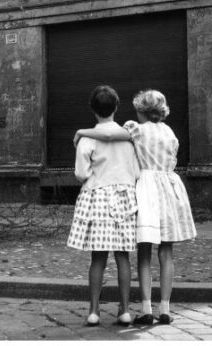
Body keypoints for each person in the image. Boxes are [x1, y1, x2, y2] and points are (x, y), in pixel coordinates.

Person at [75, 89, 196, 326]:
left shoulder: (135, 130)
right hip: (169, 187)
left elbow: (109, 137)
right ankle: (165, 308)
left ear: (141, 110)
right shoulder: (170, 132)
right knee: (166, 251)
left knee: (143, 249)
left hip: (148, 188)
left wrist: (81, 132)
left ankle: (145, 307)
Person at [67, 85, 139, 327]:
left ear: (92, 109)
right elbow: (137, 170)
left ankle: (94, 310)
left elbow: (80, 173)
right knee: (123, 256)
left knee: (97, 258)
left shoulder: (87, 139)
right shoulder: (129, 136)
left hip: (97, 197)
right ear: (117, 107)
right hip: (124, 198)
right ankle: (125, 310)